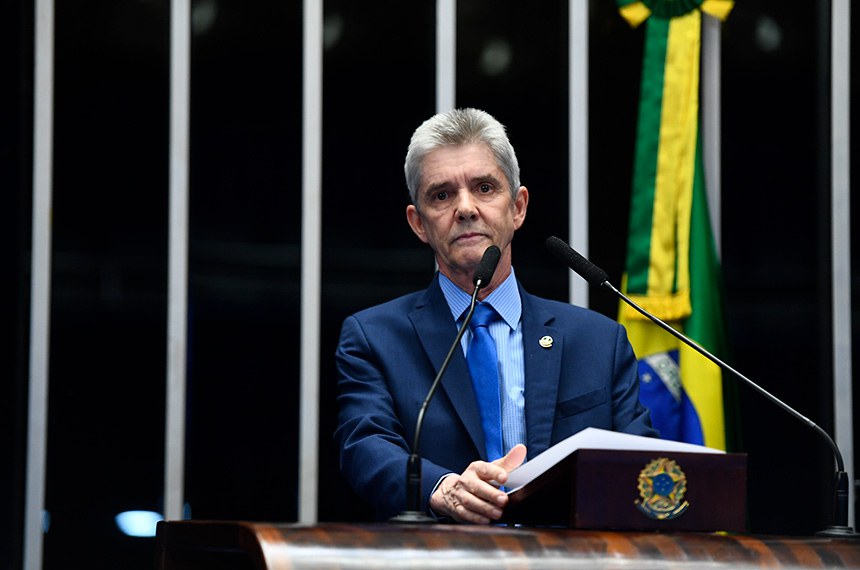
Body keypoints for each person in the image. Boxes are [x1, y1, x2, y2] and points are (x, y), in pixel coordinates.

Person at [334, 108, 657, 524]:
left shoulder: (597, 342)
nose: (466, 208)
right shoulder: (375, 337)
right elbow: (365, 445)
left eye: (484, 188)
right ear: (418, 224)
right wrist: (441, 487)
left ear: (518, 207)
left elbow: (643, 465)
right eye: (442, 195)